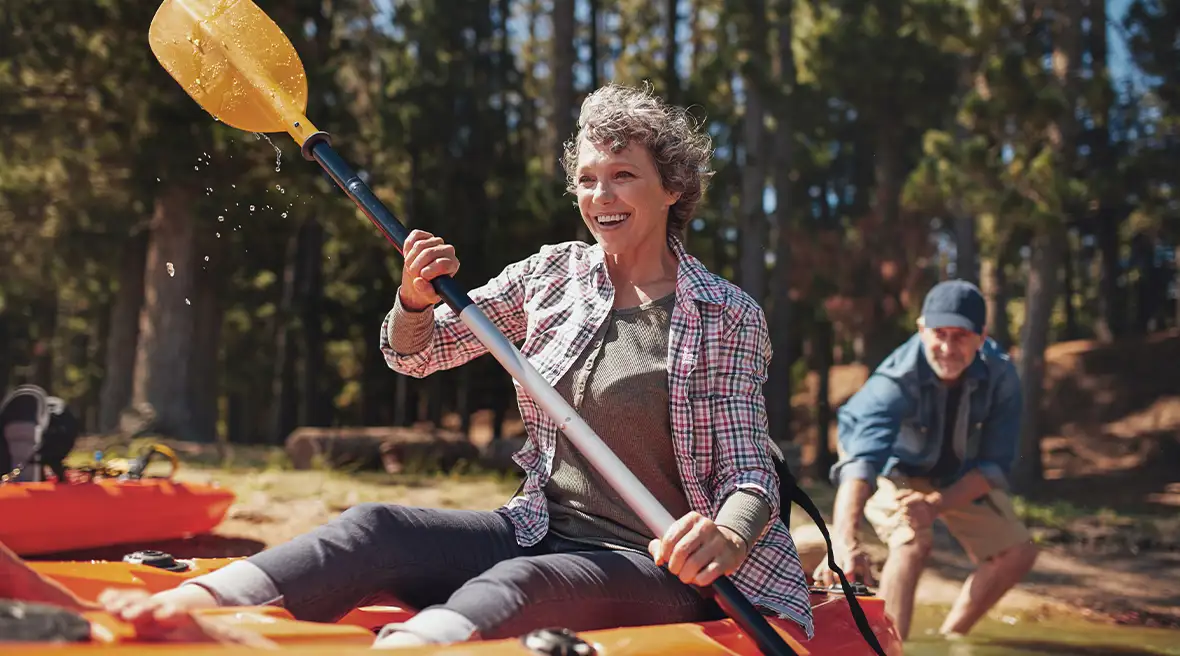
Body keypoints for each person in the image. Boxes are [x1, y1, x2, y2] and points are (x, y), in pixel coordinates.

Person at [86, 83, 813, 648]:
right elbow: (421, 353)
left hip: (660, 566)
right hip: (540, 526)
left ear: (674, 187)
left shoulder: (724, 314)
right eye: (588, 179)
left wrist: (726, 534)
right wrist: (410, 298)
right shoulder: (552, 276)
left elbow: (748, 471)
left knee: (523, 584)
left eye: (623, 175)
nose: (601, 197)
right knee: (375, 527)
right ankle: (186, 608)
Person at [813, 279, 1039, 640]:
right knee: (911, 540)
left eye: (961, 336)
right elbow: (861, 463)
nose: (948, 347)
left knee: (1018, 552)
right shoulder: (896, 378)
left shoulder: (1002, 375)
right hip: (890, 465)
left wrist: (936, 505)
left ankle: (950, 639)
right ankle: (887, 647)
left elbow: (994, 465)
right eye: (939, 333)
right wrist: (843, 542)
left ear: (981, 337)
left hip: (951, 472)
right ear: (921, 330)